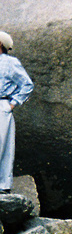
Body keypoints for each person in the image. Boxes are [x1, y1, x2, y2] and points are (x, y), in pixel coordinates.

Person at [0, 31, 34, 194]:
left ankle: (3, 185)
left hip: (2, 104)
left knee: (3, 144)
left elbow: (27, 84)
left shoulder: (10, 62)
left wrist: (12, 104)